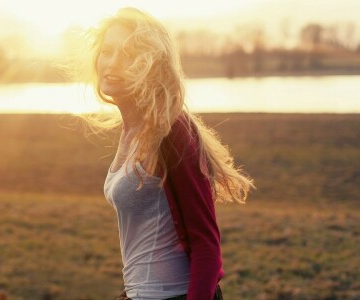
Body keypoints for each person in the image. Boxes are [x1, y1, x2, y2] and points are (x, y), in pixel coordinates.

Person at [79, 7, 254, 300]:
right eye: (107, 51)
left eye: (128, 54)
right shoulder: (130, 133)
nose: (112, 63)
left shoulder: (170, 129)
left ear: (150, 64)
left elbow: (207, 245)